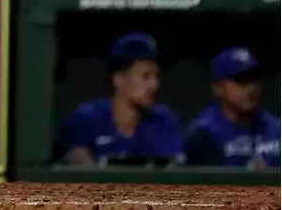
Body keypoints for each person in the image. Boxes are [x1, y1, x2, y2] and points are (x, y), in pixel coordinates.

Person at [55, 33, 184, 167]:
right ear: (119, 79)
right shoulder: (84, 120)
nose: (154, 85)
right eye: (145, 76)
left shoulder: (164, 121)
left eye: (156, 77)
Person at [184, 48, 282, 168]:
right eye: (241, 80)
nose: (251, 88)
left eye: (254, 79)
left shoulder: (277, 129)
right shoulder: (203, 135)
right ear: (218, 88)